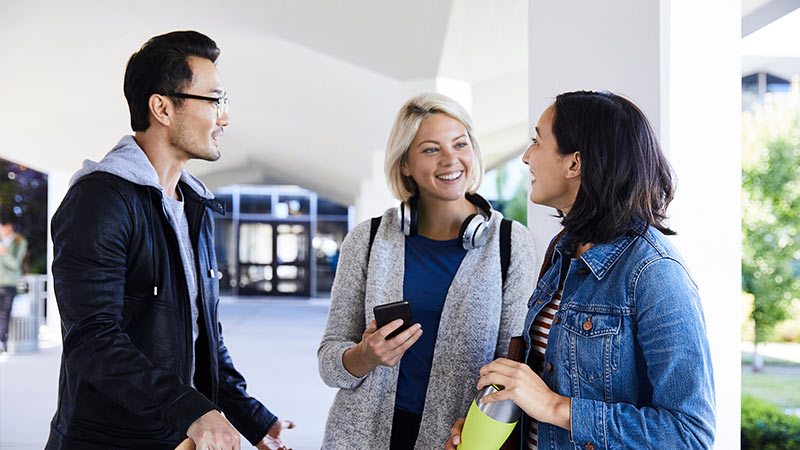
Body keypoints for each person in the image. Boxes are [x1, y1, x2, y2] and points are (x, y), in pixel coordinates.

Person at [46, 31, 294, 450]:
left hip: (177, 437)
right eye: (215, 101)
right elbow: (93, 338)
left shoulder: (194, 204)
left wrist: (252, 418)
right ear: (162, 107)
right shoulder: (100, 200)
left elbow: (202, 336)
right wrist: (191, 410)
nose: (225, 118)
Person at [445, 90, 716, 450]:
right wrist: (491, 429)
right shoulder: (563, 251)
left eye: (537, 142)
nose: (526, 157)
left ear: (575, 164)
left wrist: (555, 407)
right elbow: (544, 388)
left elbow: (690, 433)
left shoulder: (655, 273)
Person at [318, 93, 537, 450]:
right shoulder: (368, 240)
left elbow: (510, 371)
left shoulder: (511, 245)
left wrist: (478, 442)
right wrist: (365, 355)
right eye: (431, 149)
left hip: (459, 441)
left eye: (460, 144)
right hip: (359, 438)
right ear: (405, 164)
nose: (451, 160)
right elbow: (329, 362)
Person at [0, 211, 27, 353]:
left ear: (9, 226)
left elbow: (15, 263)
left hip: (9, 283)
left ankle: (1, 341)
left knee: (4, 313)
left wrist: (4, 253)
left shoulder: (19, 241)